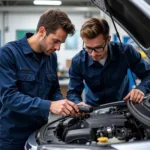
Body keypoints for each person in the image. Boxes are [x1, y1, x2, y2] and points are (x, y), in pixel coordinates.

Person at [0, 9, 79, 150]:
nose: (58, 48)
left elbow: (54, 89)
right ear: (42, 31)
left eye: (61, 43)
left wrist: (64, 105)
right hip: (12, 139)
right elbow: (9, 97)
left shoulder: (51, 57)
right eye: (55, 41)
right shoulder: (8, 53)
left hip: (40, 135)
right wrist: (49, 105)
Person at [67, 18, 150, 107]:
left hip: (122, 106)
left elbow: (148, 74)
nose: (93, 54)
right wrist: (77, 103)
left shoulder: (125, 52)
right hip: (93, 110)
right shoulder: (78, 61)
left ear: (108, 39)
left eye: (98, 48)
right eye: (88, 48)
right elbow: (73, 92)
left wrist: (141, 89)